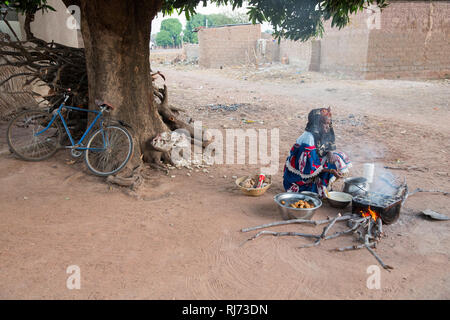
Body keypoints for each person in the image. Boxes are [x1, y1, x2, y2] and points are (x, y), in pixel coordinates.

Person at [283, 107, 351, 197]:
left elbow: (327, 146)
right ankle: (316, 185)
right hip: (300, 175)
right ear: (316, 124)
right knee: (311, 192)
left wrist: (330, 153)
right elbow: (308, 168)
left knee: (337, 157)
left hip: (312, 166)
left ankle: (322, 183)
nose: (328, 127)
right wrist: (331, 170)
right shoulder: (308, 138)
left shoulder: (322, 132)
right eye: (325, 124)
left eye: (329, 124)